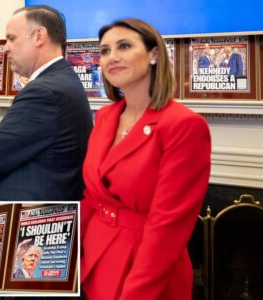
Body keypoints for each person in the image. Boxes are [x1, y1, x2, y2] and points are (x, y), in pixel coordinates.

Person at [81, 18, 211, 300]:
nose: (112, 57)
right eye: (104, 51)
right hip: (96, 259)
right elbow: (93, 197)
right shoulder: (105, 117)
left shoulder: (184, 124)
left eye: (124, 46)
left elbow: (168, 226)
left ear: (154, 54)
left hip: (147, 271)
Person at [0, 5, 93, 200]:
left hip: (30, 216)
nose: (5, 48)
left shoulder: (44, 91)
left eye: (11, 38)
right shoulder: (61, 79)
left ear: (39, 36)